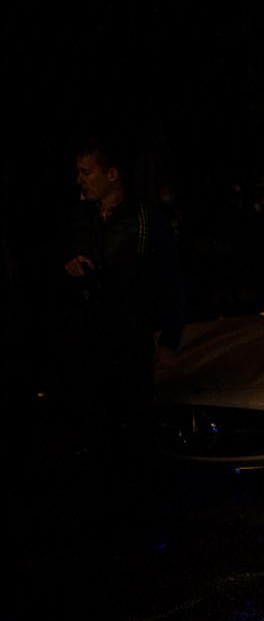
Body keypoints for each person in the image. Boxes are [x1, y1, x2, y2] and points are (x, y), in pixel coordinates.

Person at [60, 135, 186, 546]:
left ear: (111, 174)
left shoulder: (146, 221)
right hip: (89, 343)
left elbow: (172, 283)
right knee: (95, 428)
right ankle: (101, 517)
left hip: (130, 344)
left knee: (134, 430)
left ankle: (143, 519)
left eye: (86, 171)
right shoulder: (80, 220)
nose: (79, 180)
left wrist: (168, 340)